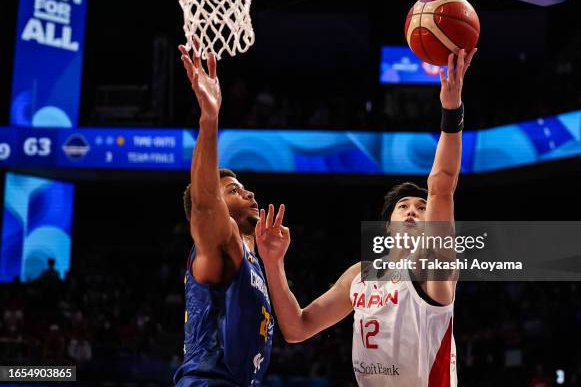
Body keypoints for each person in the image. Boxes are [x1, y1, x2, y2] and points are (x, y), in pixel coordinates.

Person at [256, 48, 476, 386]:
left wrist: (451, 111)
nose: (414, 212)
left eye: (421, 207)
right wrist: (273, 263)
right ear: (388, 227)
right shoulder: (359, 275)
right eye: (404, 207)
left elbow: (441, 186)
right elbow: (297, 328)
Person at [173, 39, 273, 387]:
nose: (248, 192)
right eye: (232, 190)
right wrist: (209, 119)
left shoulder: (252, 257)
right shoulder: (220, 241)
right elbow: (203, 203)